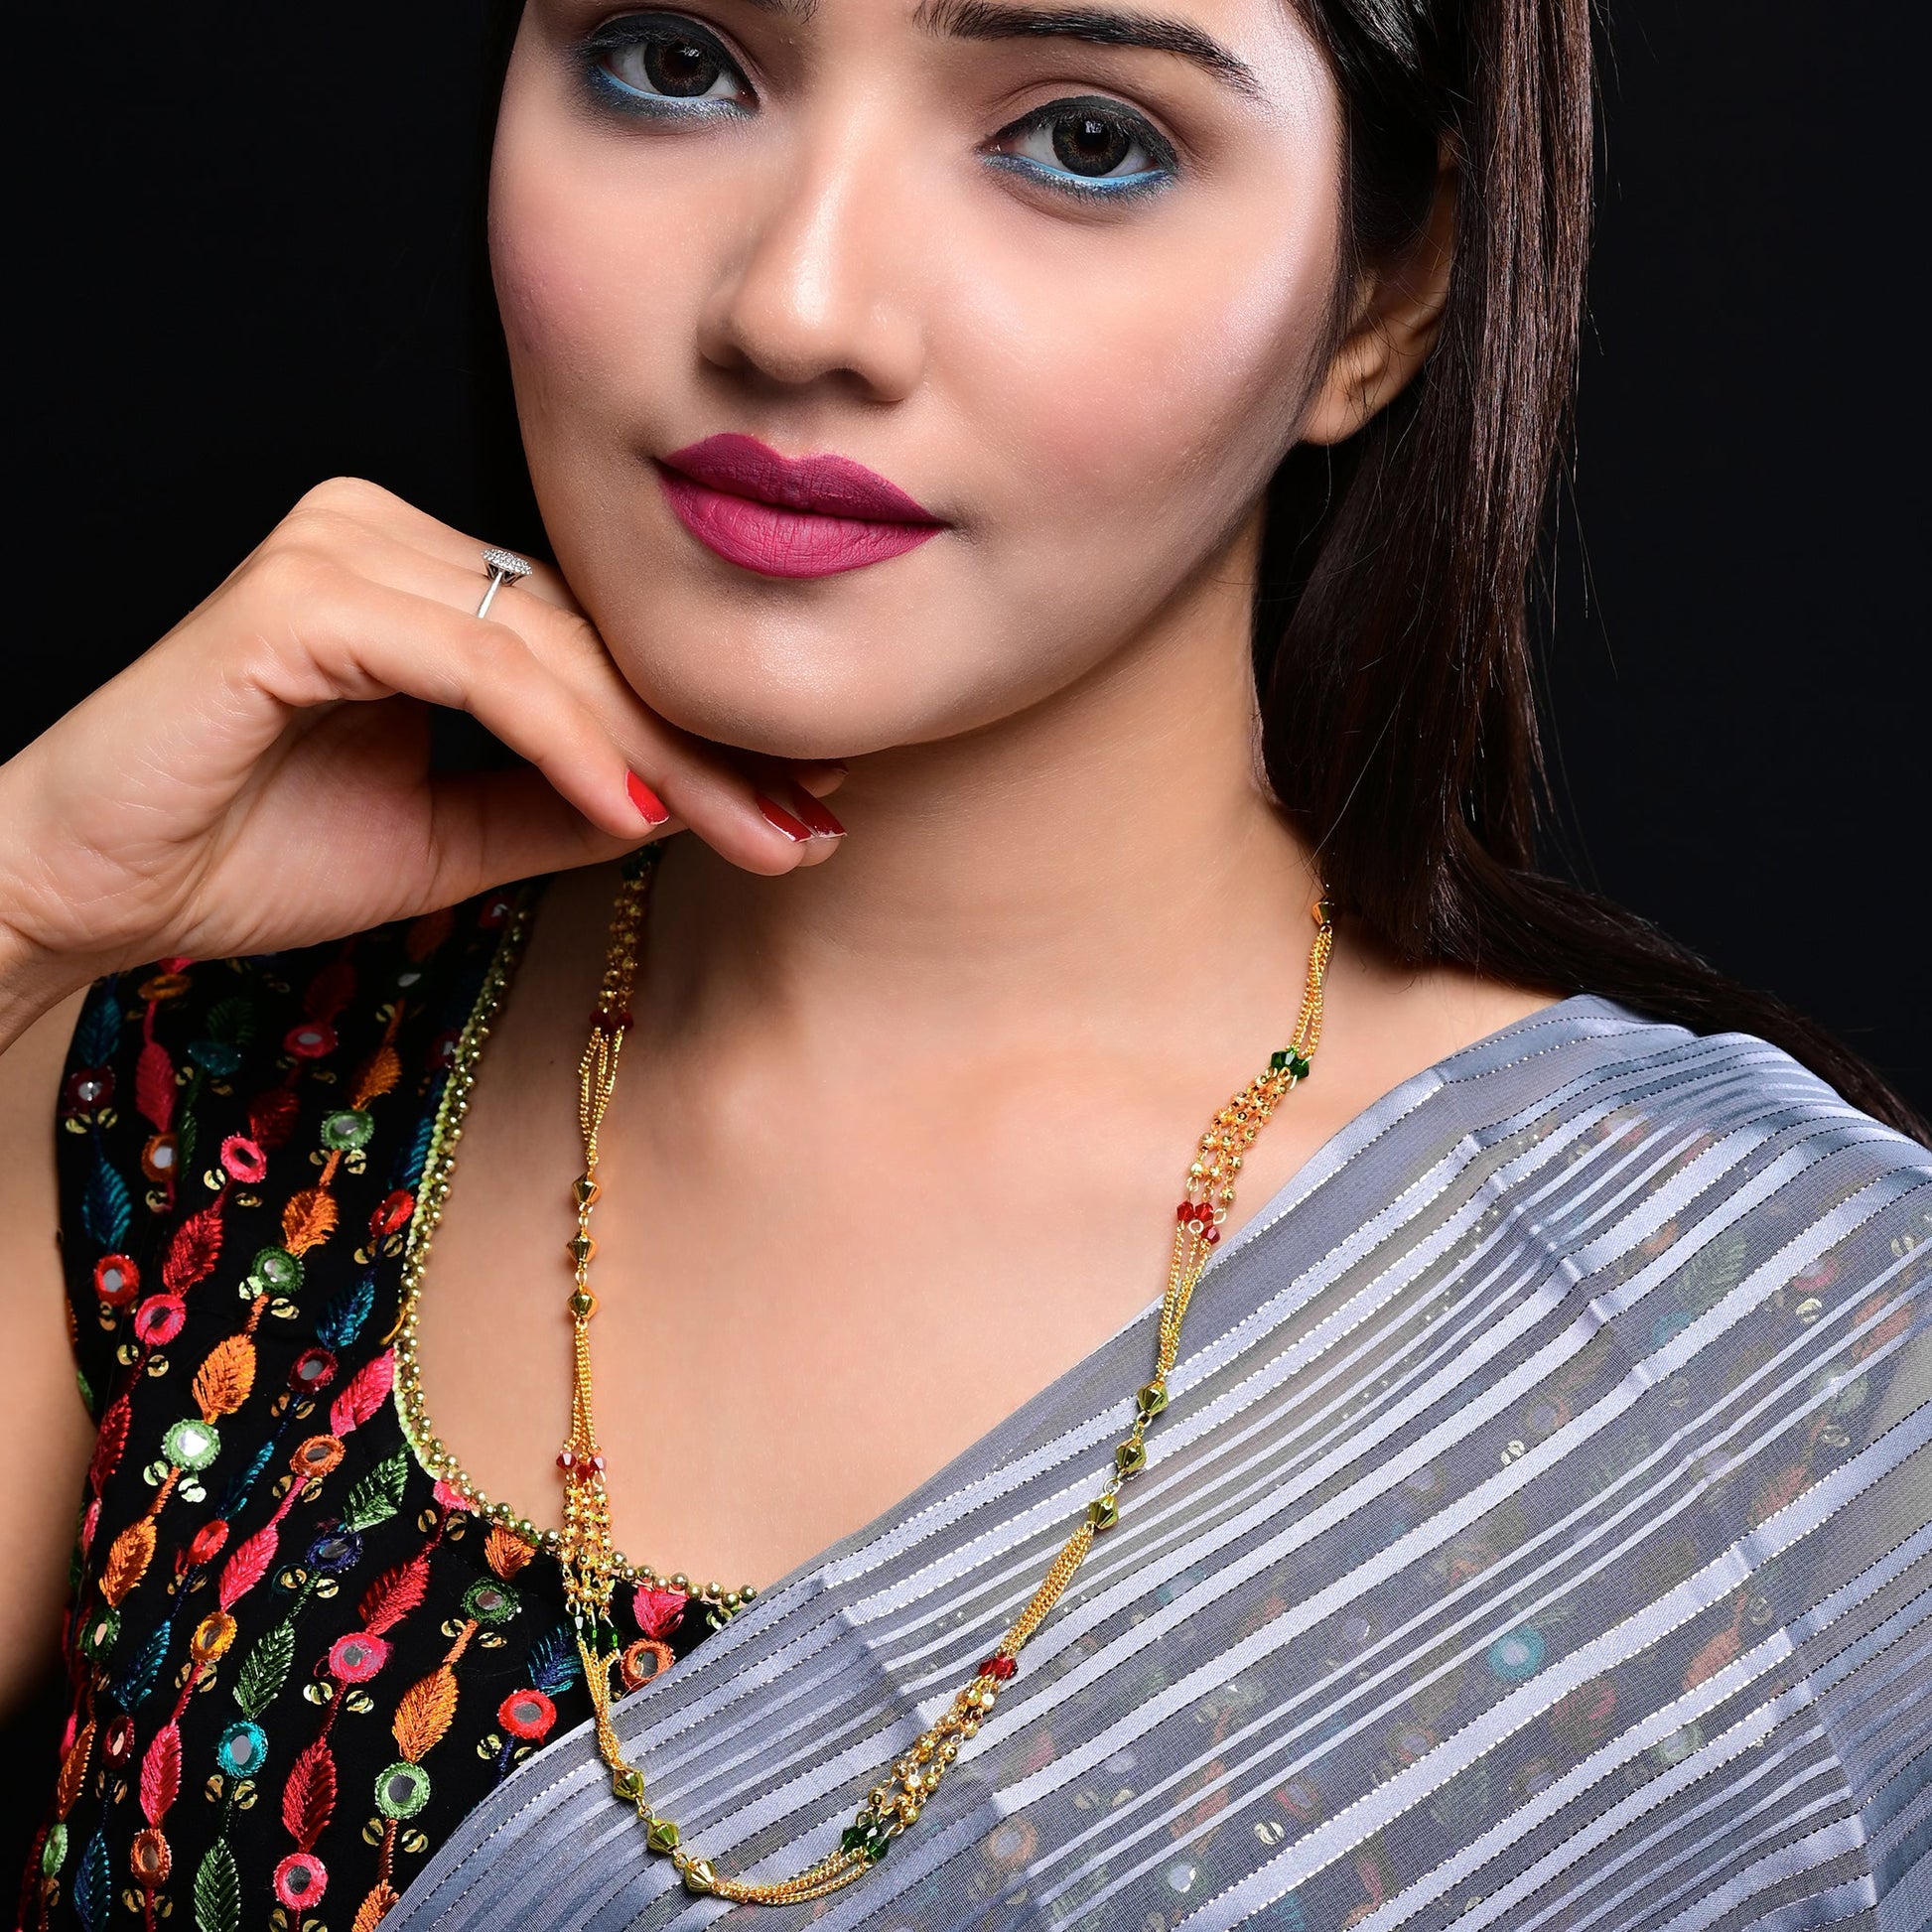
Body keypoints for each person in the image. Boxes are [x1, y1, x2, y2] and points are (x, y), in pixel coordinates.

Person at [2, 0, 1926, 1924]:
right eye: (674, 62)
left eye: (1085, 140)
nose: (798, 306)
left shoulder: (1787, 1360)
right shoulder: (198, 1071)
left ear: (1382, 293)